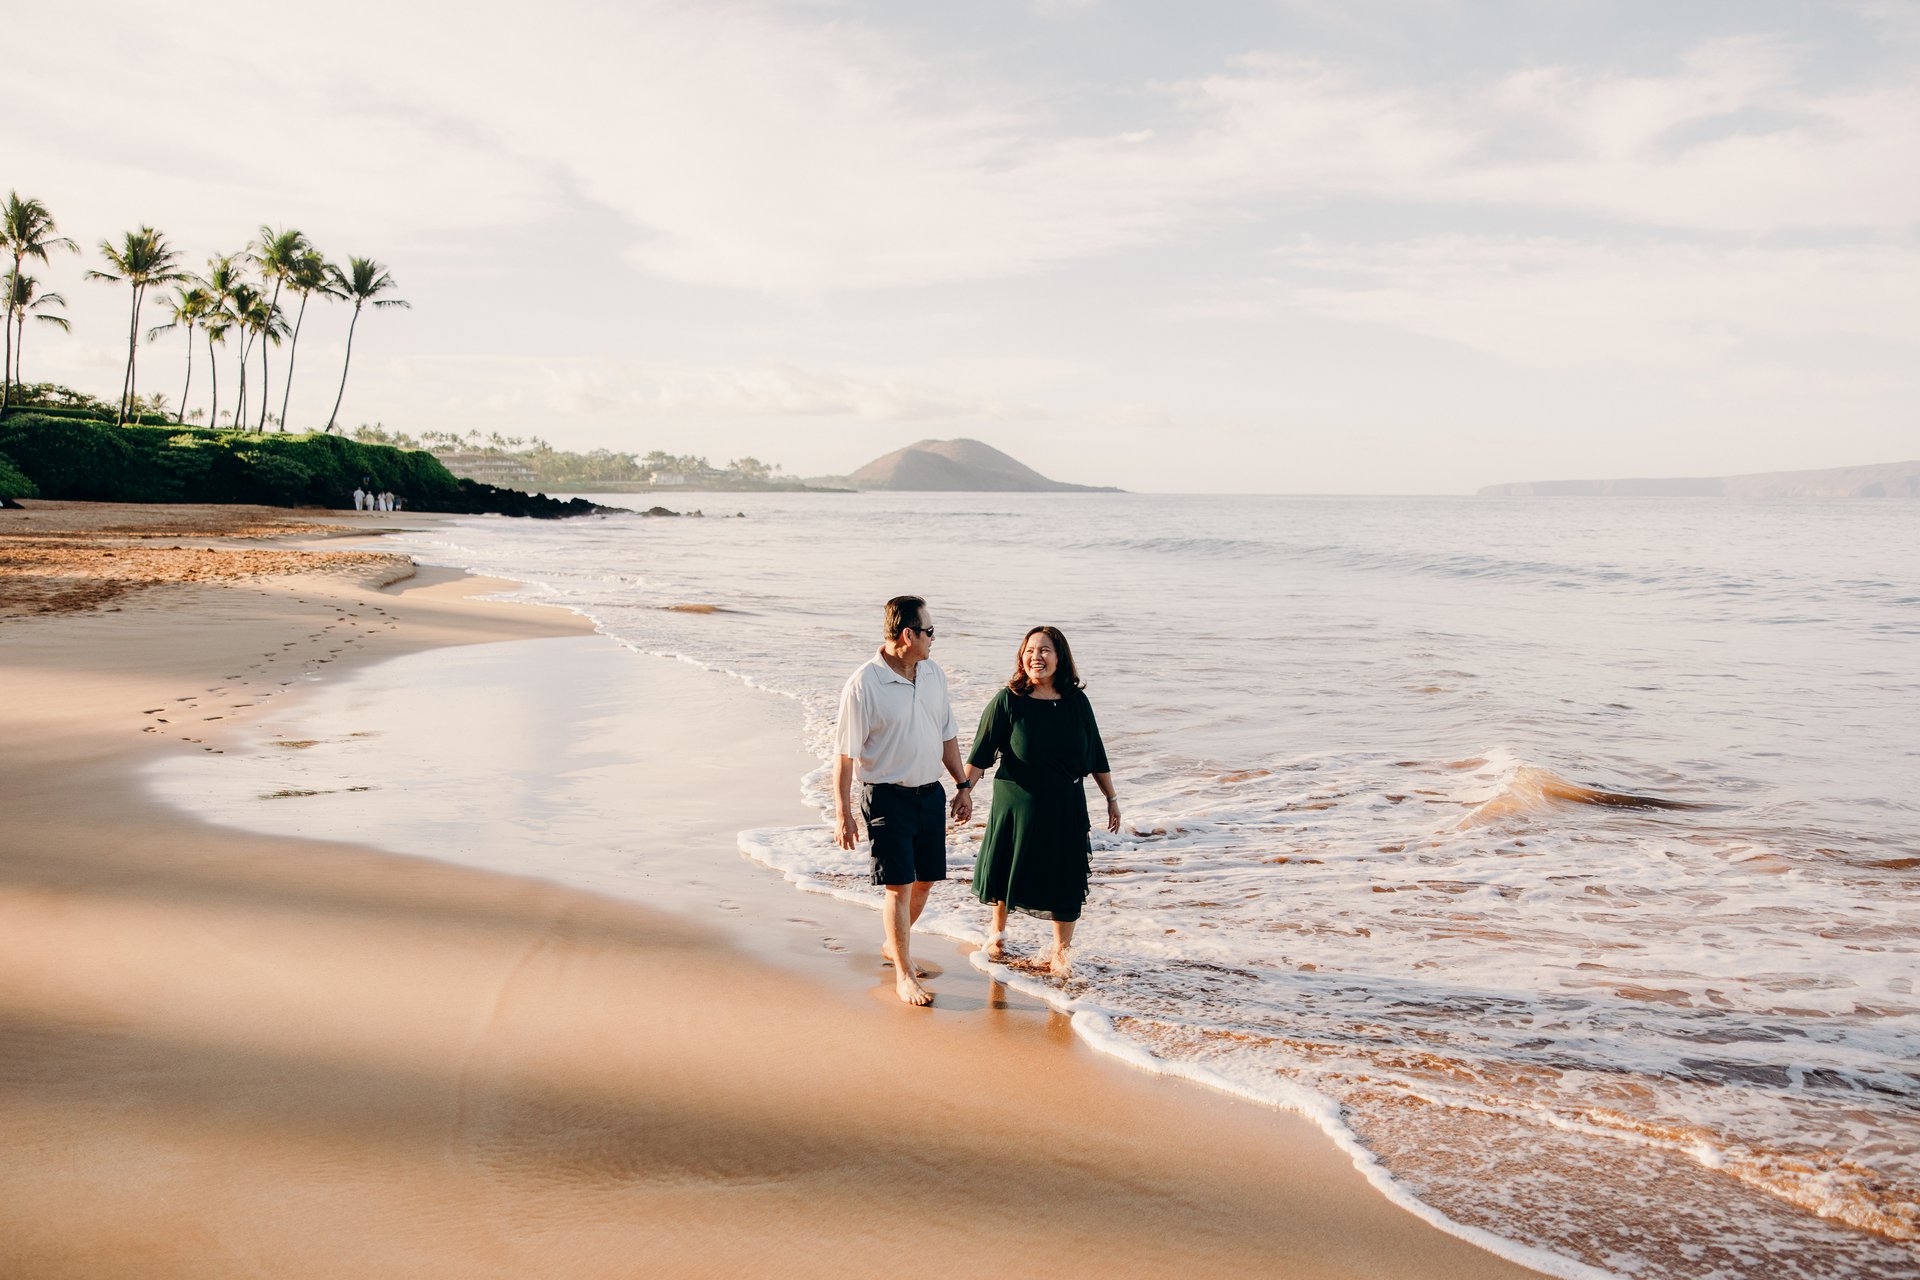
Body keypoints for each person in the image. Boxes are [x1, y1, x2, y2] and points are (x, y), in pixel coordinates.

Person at [832, 595, 973, 1005]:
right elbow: (844, 754)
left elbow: (946, 734)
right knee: (900, 885)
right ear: (907, 634)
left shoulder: (933, 674)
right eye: (930, 632)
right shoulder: (864, 683)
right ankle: (904, 973)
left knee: (925, 881)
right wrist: (844, 813)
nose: (934, 639)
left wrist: (962, 785)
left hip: (930, 794)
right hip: (886, 797)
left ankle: (894, 946)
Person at [961, 625, 1118, 978]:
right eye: (1030, 650)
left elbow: (1095, 753)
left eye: (1045, 650)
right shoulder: (1008, 700)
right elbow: (981, 755)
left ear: (1060, 657)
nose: (1037, 656)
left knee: (1067, 873)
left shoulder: (1077, 702)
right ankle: (997, 934)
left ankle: (1061, 952)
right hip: (1016, 803)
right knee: (1008, 867)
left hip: (1065, 804)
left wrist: (1111, 797)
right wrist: (963, 790)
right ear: (1022, 657)